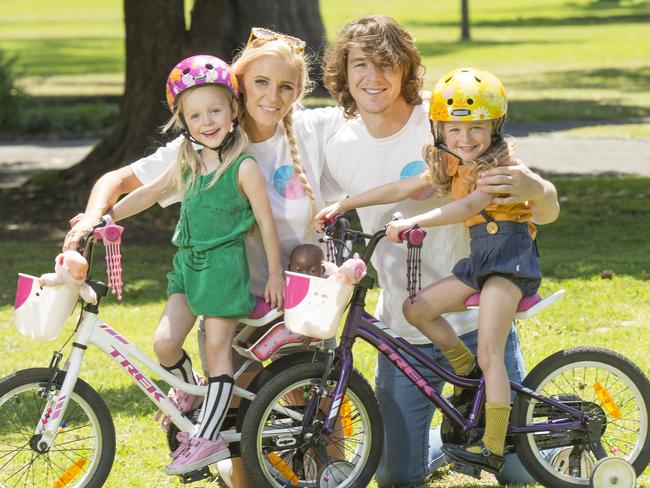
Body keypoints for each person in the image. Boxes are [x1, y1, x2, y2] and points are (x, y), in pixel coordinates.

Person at [62, 28, 344, 487]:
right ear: (239, 87)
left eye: (286, 87)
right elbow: (127, 185)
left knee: (297, 401)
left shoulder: (305, 133)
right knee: (210, 378)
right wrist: (95, 217)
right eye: (260, 83)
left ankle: (327, 471)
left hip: (287, 294)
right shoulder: (195, 147)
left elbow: (380, 114)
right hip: (212, 283)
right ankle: (202, 419)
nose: (272, 97)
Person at [319, 15, 559, 487]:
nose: (373, 77)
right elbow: (407, 184)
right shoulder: (342, 140)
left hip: (476, 315)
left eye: (387, 64)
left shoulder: (454, 113)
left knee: (519, 473)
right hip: (404, 333)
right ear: (343, 74)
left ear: (407, 70)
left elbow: (541, 206)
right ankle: (445, 443)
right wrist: (342, 206)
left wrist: (537, 187)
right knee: (395, 477)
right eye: (361, 64)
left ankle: (520, 437)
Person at [107, 54, 284, 476]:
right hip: (186, 266)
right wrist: (105, 218)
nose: (207, 121)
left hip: (224, 267)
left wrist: (275, 273)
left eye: (215, 110)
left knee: (217, 351)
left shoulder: (243, 168)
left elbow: (266, 223)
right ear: (183, 121)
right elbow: (149, 194)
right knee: (165, 343)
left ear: (232, 110)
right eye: (195, 115)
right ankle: (189, 392)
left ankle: (206, 439)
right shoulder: (186, 161)